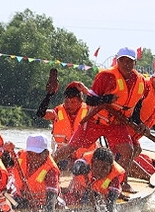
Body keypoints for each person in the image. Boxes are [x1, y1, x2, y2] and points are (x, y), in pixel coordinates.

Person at [53, 47, 145, 176]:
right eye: (122, 60)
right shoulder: (106, 76)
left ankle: (120, 182)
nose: (126, 64)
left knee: (128, 151)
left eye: (129, 61)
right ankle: (47, 165)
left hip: (116, 123)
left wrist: (138, 121)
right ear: (117, 61)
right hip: (95, 120)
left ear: (135, 63)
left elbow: (137, 104)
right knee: (71, 147)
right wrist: (106, 99)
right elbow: (90, 100)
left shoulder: (140, 81)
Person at [36, 81, 94, 170]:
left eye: (73, 102)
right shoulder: (58, 111)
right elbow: (41, 113)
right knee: (50, 163)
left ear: (80, 101)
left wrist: (86, 91)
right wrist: (49, 95)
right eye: (67, 102)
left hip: (87, 159)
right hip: (64, 158)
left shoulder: (89, 111)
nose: (69, 105)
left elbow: (100, 103)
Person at [9, 134, 60, 212]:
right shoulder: (20, 155)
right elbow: (4, 162)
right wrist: (5, 152)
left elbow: (51, 196)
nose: (33, 158)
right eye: (30, 154)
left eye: (37, 154)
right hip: (20, 198)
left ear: (46, 153)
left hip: (41, 203)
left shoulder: (51, 170)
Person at [68, 147, 124, 212]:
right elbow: (76, 167)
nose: (99, 171)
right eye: (96, 166)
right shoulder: (86, 162)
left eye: (104, 168)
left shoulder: (114, 179)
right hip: (85, 189)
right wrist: (80, 168)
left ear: (111, 167)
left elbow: (110, 205)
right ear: (92, 163)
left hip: (102, 193)